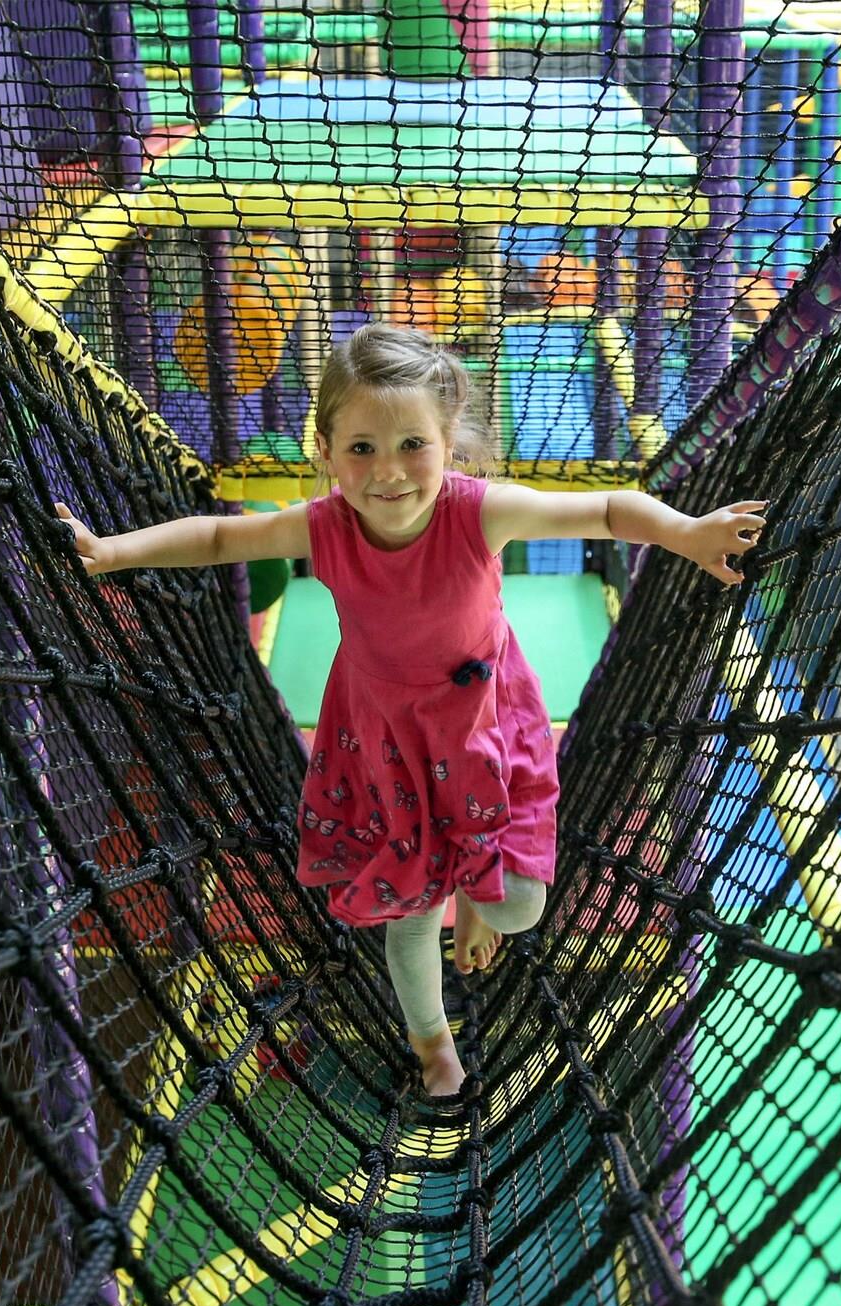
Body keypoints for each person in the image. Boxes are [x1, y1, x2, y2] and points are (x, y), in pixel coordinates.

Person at [55, 323, 766, 1097]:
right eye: (361, 448)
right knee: (411, 912)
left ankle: (478, 895)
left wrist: (687, 532)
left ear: (448, 440)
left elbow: (607, 511)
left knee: (520, 905)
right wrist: (114, 551)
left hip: (482, 725)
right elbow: (223, 534)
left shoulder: (478, 513)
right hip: (387, 740)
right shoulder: (327, 526)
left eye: (412, 445)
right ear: (325, 452)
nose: (388, 471)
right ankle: (433, 1044)